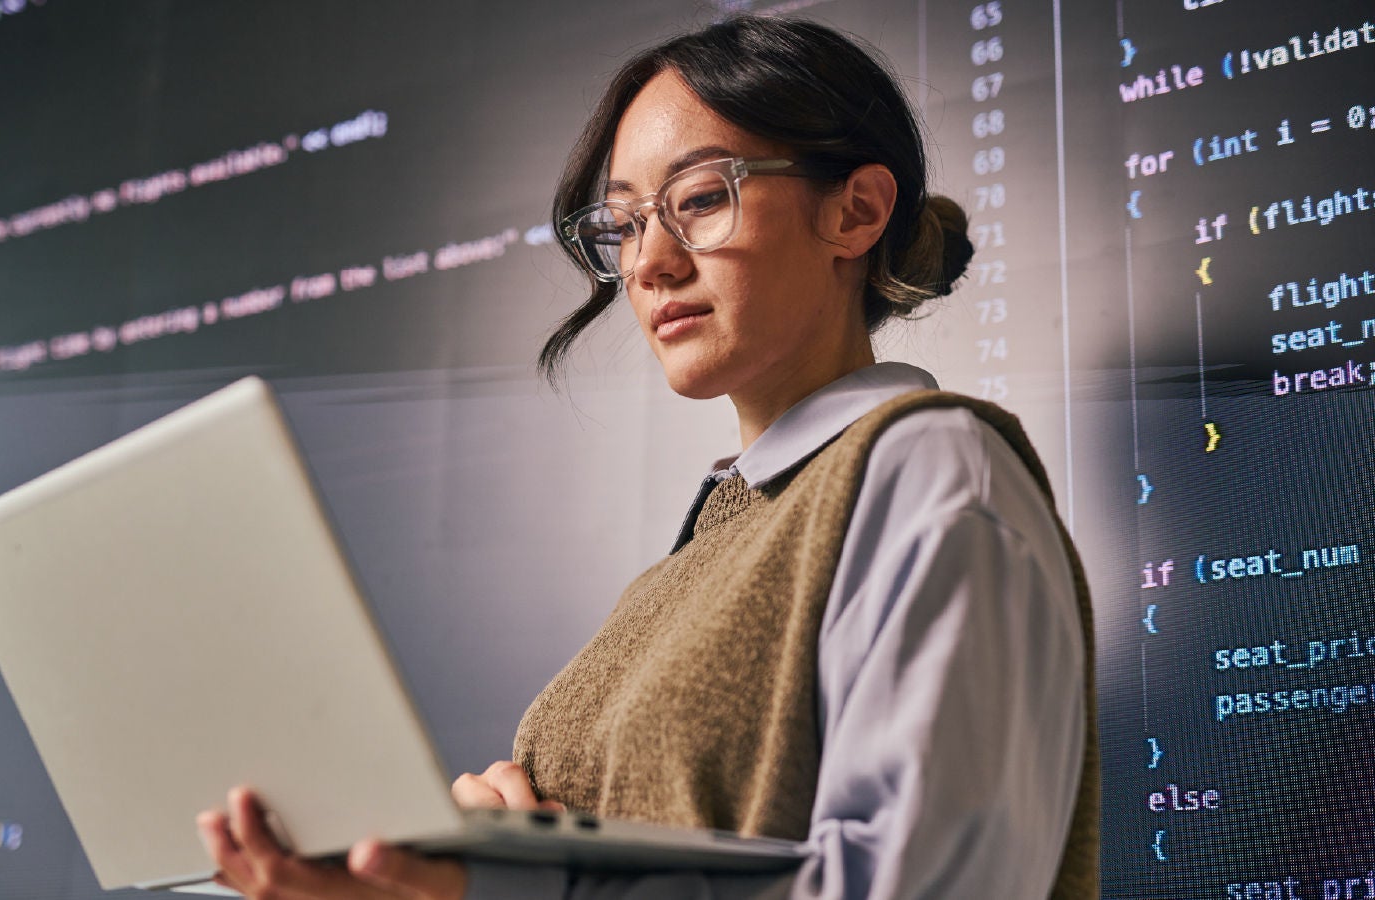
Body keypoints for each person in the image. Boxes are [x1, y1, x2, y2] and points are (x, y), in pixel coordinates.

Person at [196, 14, 1098, 899]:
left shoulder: (933, 468)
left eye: (700, 199)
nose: (649, 264)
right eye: (624, 225)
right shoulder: (691, 561)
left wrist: (525, 885)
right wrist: (484, 863)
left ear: (855, 212)